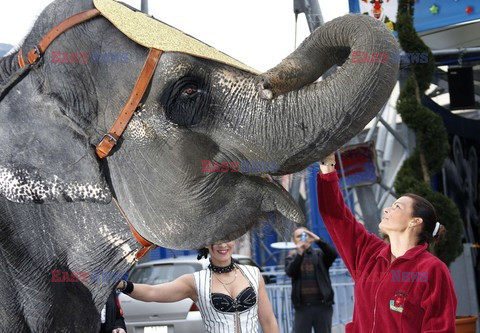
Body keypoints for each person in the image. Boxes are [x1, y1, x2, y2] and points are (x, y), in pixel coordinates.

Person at [316, 152, 457, 332]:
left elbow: (440, 329)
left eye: (397, 206)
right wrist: (327, 166)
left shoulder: (432, 270)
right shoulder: (368, 254)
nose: (387, 210)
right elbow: (336, 216)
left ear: (415, 221)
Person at [116, 241, 279, 333]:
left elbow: (268, 321)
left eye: (227, 238)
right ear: (208, 244)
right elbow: (153, 292)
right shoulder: (195, 281)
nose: (222, 245)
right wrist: (123, 285)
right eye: (217, 239)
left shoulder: (253, 273)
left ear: (234, 240)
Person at [285, 226, 338, 333]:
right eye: (299, 236)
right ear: (294, 240)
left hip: (322, 306)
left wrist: (318, 240)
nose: (302, 238)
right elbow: (290, 272)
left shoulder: (319, 255)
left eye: (305, 235)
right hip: (302, 308)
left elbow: (333, 254)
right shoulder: (291, 258)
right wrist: (300, 254)